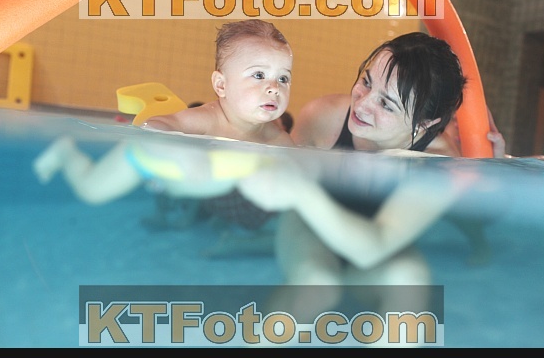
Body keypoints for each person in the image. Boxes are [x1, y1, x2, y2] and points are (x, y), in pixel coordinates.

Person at [233, 32, 492, 326]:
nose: (363, 104)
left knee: (409, 280)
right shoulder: (324, 117)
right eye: (367, 82)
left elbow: (375, 246)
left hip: (375, 243)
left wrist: (301, 191)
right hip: (310, 231)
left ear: (424, 123)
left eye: (387, 104)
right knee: (317, 284)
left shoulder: (439, 165)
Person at [32, 19, 294, 205]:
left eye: (283, 78)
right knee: (91, 191)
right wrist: (183, 152)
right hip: (145, 158)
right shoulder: (206, 119)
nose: (274, 88)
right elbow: (153, 126)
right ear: (221, 85)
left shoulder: (277, 139)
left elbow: (298, 170)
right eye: (258, 75)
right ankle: (66, 151)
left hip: (184, 184)